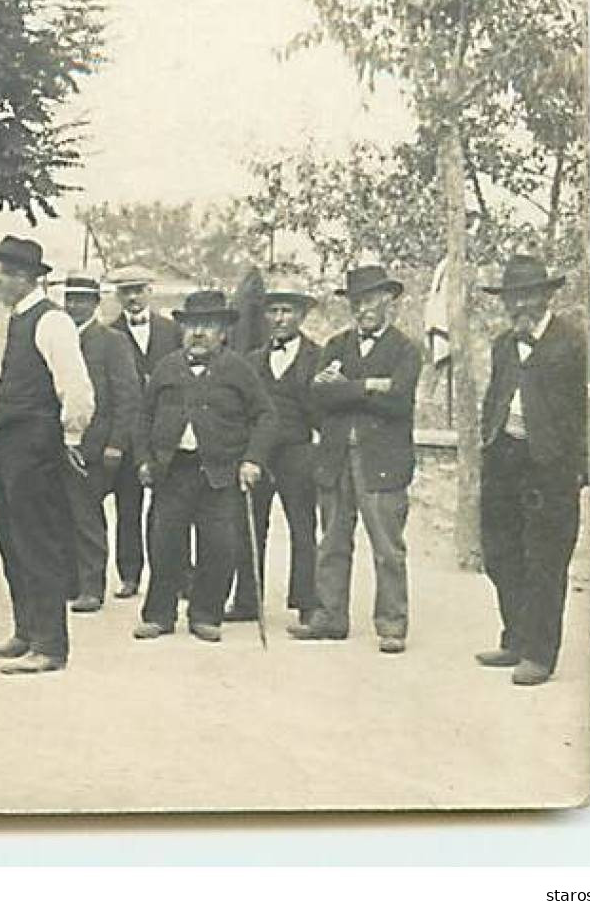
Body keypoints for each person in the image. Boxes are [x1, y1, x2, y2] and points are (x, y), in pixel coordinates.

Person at [0, 236, 94, 674]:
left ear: (24, 278)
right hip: (10, 444)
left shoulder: (52, 322)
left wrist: (70, 439)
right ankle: (26, 632)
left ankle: (50, 645)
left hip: (36, 445)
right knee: (12, 541)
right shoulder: (18, 318)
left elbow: (77, 390)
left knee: (38, 543)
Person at [292, 264, 422, 654]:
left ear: (388, 302)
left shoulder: (405, 349)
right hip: (334, 457)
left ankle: (392, 624)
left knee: (386, 546)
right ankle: (330, 617)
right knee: (331, 540)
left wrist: (346, 387)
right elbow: (317, 395)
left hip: (382, 460)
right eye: (356, 302)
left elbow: (398, 400)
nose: (362, 309)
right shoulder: (335, 345)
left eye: (369, 301)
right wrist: (368, 386)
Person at [132, 290, 275, 644]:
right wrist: (144, 460)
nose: (199, 333)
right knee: (165, 544)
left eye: (208, 326)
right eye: (193, 325)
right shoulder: (167, 367)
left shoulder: (238, 369)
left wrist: (253, 459)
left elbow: (266, 416)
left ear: (224, 332)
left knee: (219, 544)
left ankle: (206, 614)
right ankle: (159, 615)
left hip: (221, 473)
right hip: (173, 471)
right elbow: (142, 416)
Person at [476, 255, 587, 687]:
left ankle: (540, 654)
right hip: (505, 458)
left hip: (550, 466)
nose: (519, 305)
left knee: (545, 560)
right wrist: (489, 441)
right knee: (500, 552)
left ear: (545, 296)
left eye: (527, 295)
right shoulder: (503, 344)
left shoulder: (571, 342)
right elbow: (495, 396)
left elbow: (583, 411)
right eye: (512, 298)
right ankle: (515, 639)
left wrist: (577, 466)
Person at [227, 269, 321, 626]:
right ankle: (248, 600)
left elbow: (323, 411)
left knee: (302, 525)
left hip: (298, 450)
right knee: (249, 523)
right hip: (259, 453)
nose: (280, 319)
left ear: (302, 315)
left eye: (287, 311)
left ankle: (307, 602)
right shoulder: (251, 359)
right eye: (273, 311)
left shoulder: (319, 356)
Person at [57, 274, 141, 612]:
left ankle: (92, 587)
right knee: (63, 516)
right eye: (70, 299)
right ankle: (70, 582)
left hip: (98, 446)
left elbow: (127, 395)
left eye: (82, 299)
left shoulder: (111, 340)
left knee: (88, 518)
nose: (74, 305)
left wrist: (116, 443)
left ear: (95, 303)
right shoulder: (58, 340)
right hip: (61, 444)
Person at [105, 265, 182, 598]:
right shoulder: (110, 334)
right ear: (117, 296)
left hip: (167, 430)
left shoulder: (173, 330)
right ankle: (130, 574)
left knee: (171, 506)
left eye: (138, 289)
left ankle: (174, 575)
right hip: (130, 430)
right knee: (128, 504)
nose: (133, 297)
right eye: (125, 291)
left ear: (151, 290)